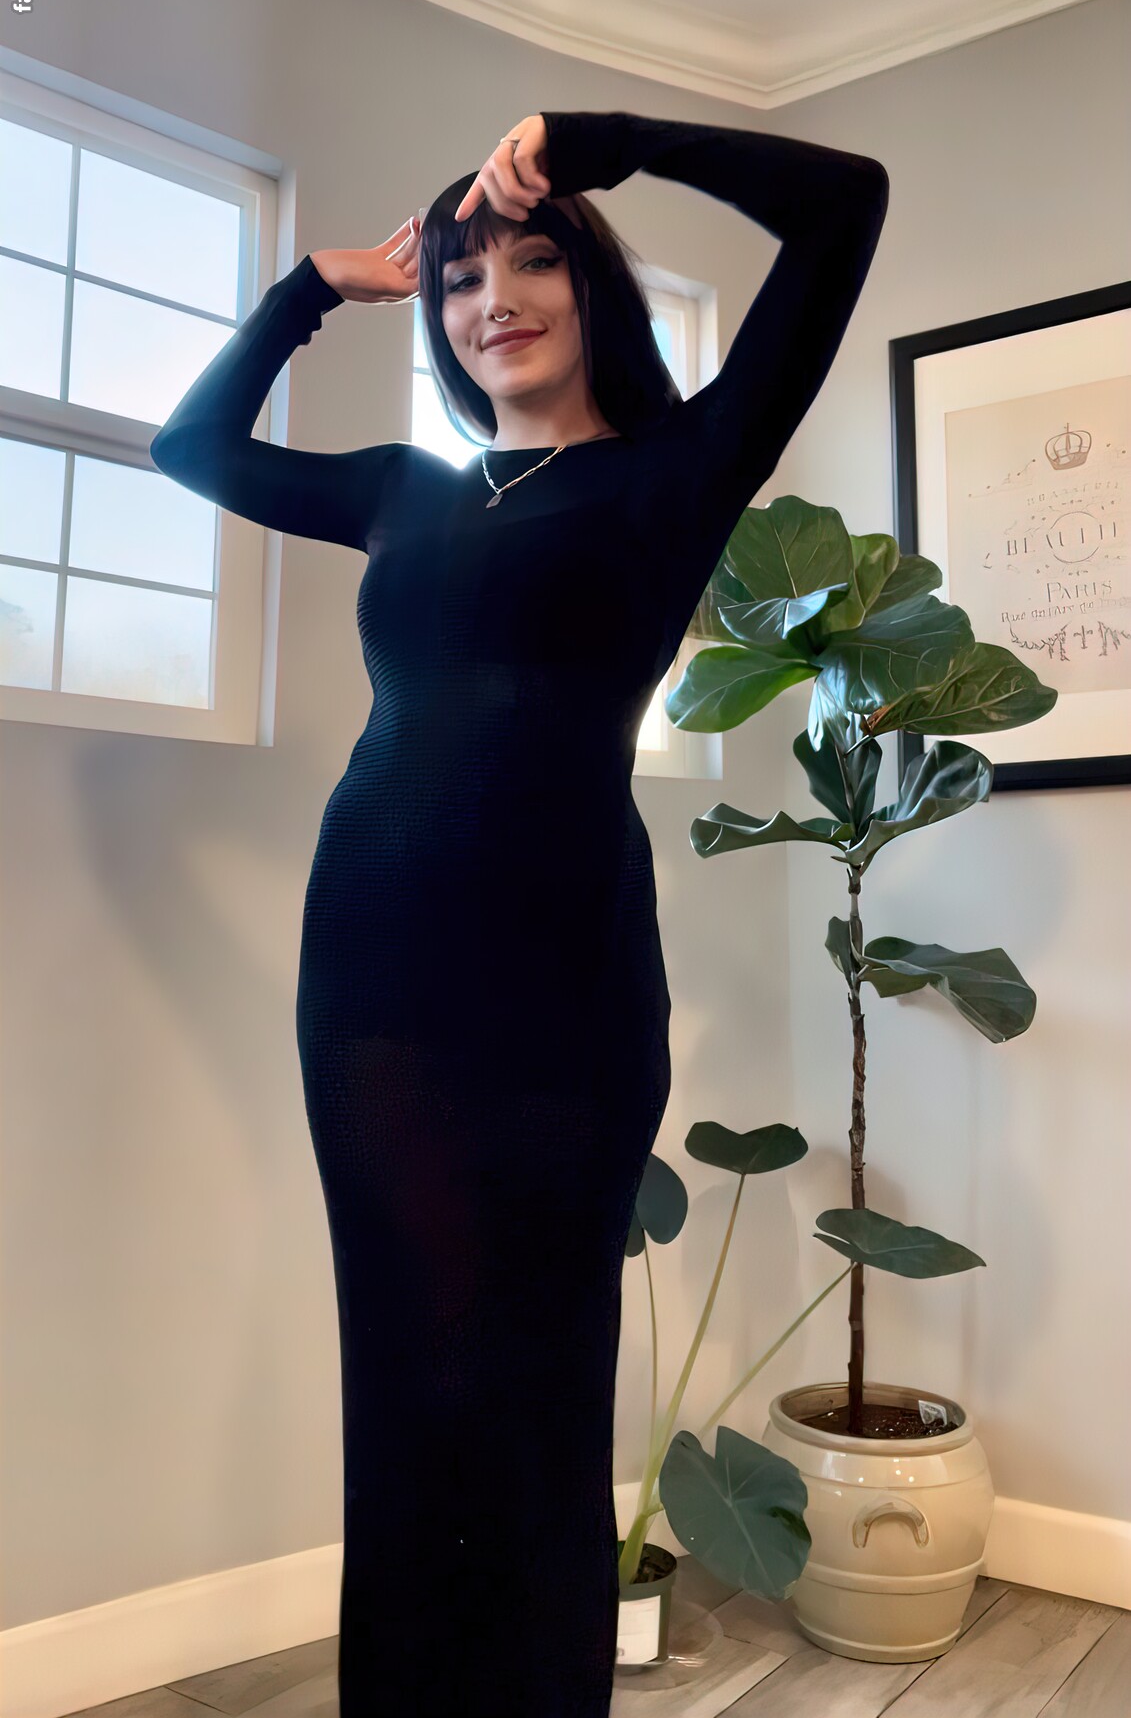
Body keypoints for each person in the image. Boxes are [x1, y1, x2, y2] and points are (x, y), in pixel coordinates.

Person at [149, 109, 889, 1717]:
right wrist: (313, 291)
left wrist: (606, 143)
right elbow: (187, 450)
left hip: (563, 993)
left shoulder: (681, 469)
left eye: (532, 259)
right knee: (405, 1382)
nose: (496, 301)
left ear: (589, 282)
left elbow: (847, 206)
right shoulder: (405, 492)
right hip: (371, 984)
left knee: (534, 1398)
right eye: (463, 278)